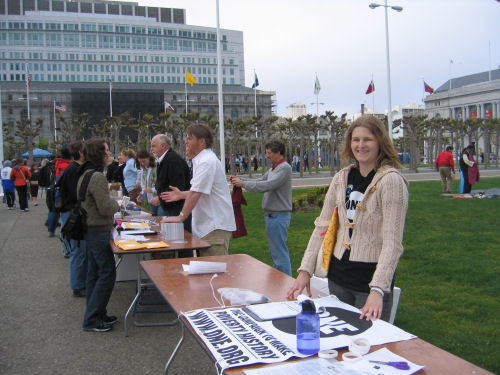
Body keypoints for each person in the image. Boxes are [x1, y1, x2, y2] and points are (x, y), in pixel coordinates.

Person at [287, 115, 409, 322]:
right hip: (338, 278)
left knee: (368, 346)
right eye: (355, 140)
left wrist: (378, 290)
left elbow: (392, 243)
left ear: (380, 142)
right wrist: (305, 270)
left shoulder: (391, 181)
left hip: (368, 282)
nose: (360, 145)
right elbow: (322, 227)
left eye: (367, 139)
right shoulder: (341, 178)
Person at [161, 124, 236, 255]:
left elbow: (196, 193)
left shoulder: (206, 161)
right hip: (208, 228)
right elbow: (199, 190)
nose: (186, 141)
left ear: (202, 142)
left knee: (213, 273)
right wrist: (181, 195)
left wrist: (181, 217)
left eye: (190, 138)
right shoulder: (202, 160)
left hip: (213, 228)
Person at [230, 140, 293, 276]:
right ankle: (280, 280)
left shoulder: (284, 168)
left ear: (278, 153)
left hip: (278, 217)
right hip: (272, 216)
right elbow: (260, 181)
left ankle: (286, 282)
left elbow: (267, 185)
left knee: (280, 253)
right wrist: (241, 181)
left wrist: (243, 184)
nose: (267, 156)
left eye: (269, 153)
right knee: (276, 253)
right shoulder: (274, 168)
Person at [78, 138, 120, 332]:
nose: (109, 154)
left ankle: (96, 312)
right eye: (107, 151)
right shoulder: (96, 177)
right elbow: (105, 207)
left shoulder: (86, 174)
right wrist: (117, 204)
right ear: (99, 154)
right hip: (97, 229)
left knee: (94, 273)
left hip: (91, 229)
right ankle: (93, 317)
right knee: (107, 273)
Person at [58, 140, 87, 296]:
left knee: (78, 250)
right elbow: (77, 195)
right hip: (73, 213)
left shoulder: (73, 168)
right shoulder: (75, 170)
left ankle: (79, 283)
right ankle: (78, 285)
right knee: (78, 250)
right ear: (80, 153)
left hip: (71, 212)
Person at [150, 134, 191, 219]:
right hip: (170, 205)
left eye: (153, 146)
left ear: (163, 145)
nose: (151, 149)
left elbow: (177, 186)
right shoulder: (166, 159)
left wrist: (160, 199)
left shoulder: (173, 160)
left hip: (176, 207)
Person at [47, 148, 72, 238]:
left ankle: (50, 228)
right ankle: (60, 233)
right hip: (62, 191)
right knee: (59, 211)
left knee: (54, 210)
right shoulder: (66, 165)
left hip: (56, 189)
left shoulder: (58, 162)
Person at [135, 149, 158, 216]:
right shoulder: (143, 170)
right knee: (153, 217)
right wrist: (142, 194)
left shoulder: (156, 167)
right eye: (140, 162)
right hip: (150, 200)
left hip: (158, 197)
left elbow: (161, 183)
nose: (142, 164)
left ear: (149, 158)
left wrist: (152, 190)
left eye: (144, 161)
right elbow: (143, 186)